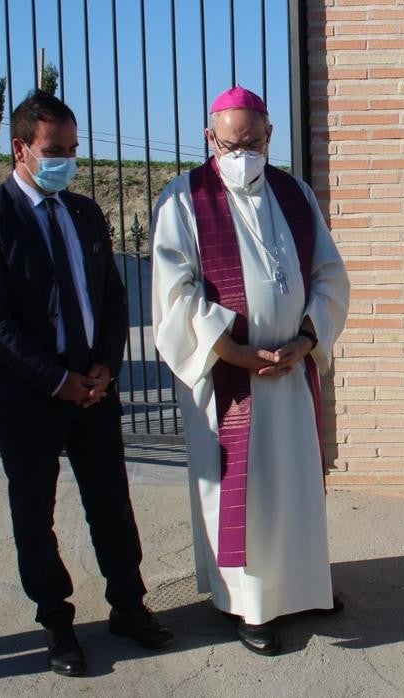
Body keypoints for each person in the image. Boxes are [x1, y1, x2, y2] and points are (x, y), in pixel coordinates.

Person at [0, 91, 172, 677]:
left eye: (73, 150)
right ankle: (56, 622)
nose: (66, 161)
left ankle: (128, 605)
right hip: (29, 400)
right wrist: (56, 381)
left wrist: (103, 368)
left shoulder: (83, 212)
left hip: (93, 395)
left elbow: (113, 297)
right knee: (35, 514)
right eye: (55, 150)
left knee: (112, 504)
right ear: (21, 149)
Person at [150, 86, 350, 656]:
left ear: (270, 137)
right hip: (229, 381)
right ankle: (250, 605)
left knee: (296, 486)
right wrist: (233, 351)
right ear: (211, 138)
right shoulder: (184, 199)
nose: (244, 152)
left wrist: (308, 335)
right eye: (232, 143)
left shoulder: (295, 193)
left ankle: (306, 587)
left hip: (290, 375)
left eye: (255, 142)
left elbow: (329, 274)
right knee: (247, 492)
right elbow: (174, 292)